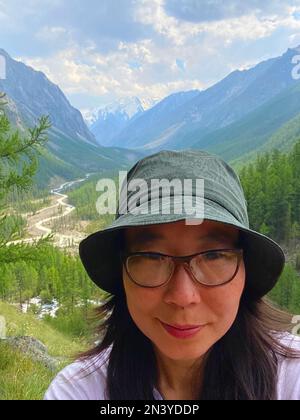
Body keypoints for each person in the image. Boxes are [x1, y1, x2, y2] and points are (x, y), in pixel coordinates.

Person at [44, 150, 300, 400]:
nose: (182, 296)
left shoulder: (292, 377)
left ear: (246, 269)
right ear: (122, 272)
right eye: (152, 257)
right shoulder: (78, 390)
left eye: (212, 256)